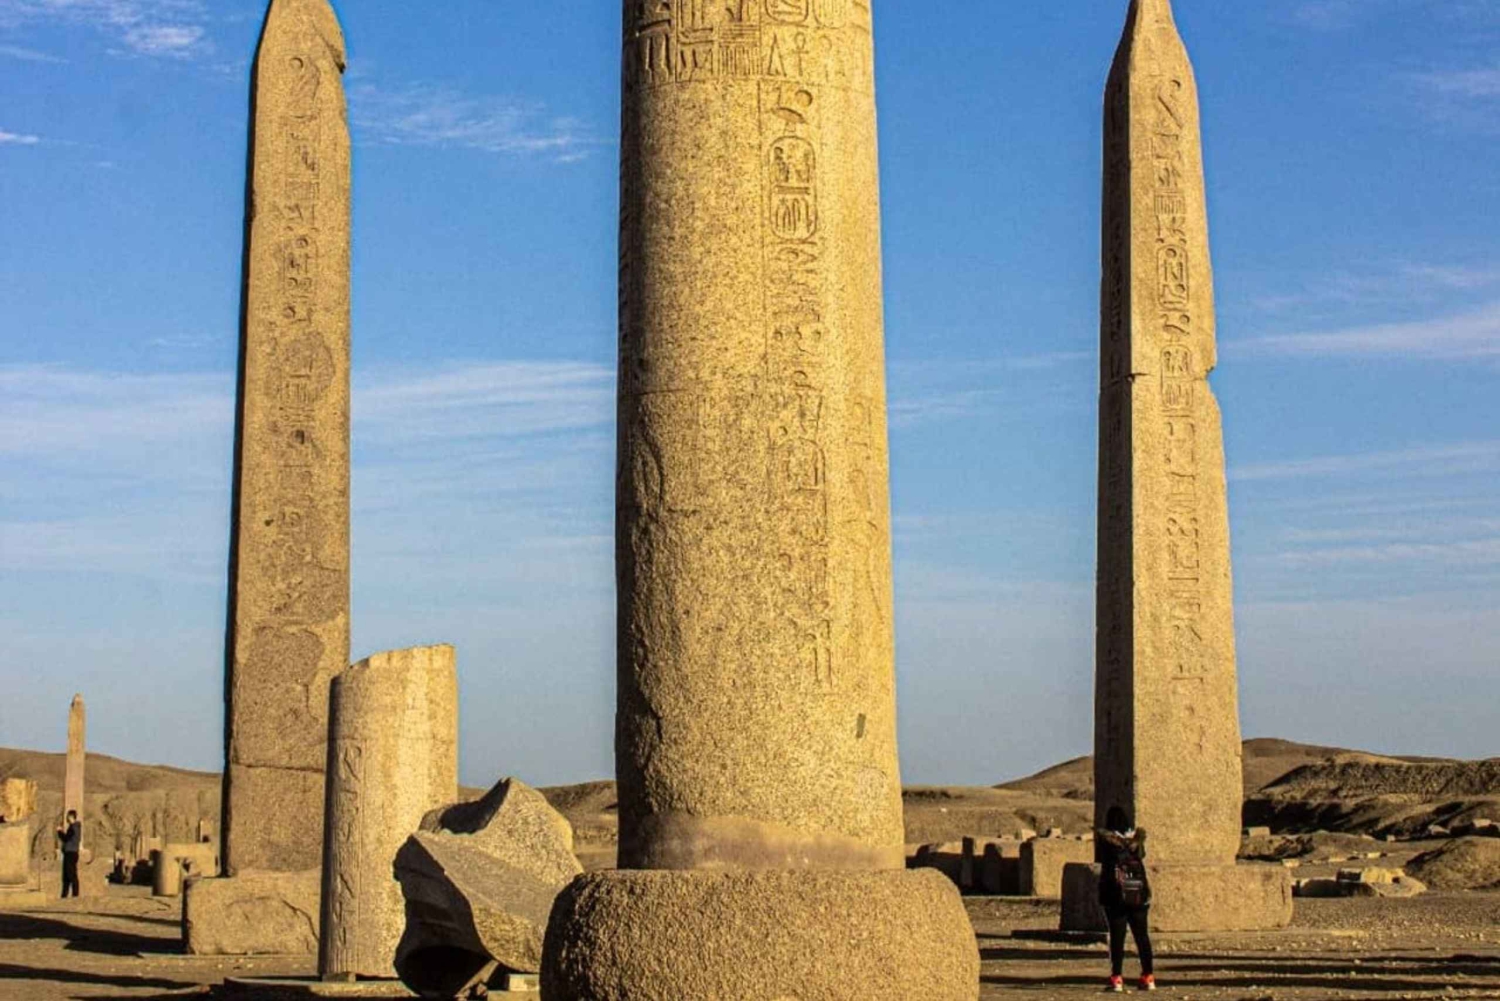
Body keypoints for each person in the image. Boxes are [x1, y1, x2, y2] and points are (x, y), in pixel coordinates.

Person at [1096, 806, 1155, 992]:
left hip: (1115, 895)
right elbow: (1141, 856)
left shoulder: (1107, 841)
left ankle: (1117, 978)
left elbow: (1102, 861)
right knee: (1142, 937)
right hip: (1136, 891)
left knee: (1117, 938)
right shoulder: (1137, 841)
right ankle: (1148, 976)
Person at [55, 810, 82, 898]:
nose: (67, 818)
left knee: (71, 874)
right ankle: (64, 894)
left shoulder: (74, 828)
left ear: (71, 817)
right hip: (70, 852)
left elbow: (66, 838)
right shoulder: (74, 827)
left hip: (71, 853)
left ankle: (75, 894)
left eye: (68, 816)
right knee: (66, 875)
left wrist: (59, 832)